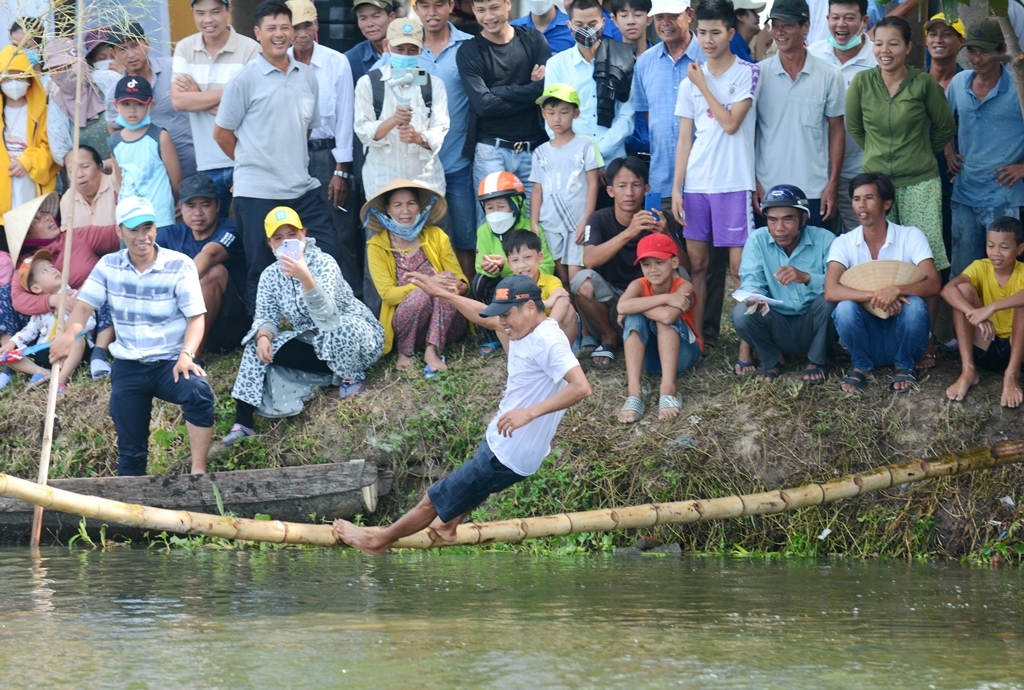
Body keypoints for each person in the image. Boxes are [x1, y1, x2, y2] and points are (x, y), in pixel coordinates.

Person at [332, 274, 592, 555]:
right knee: (477, 486)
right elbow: (483, 317)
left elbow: (581, 387)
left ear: (530, 307)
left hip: (508, 451)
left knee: (432, 501)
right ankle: (448, 525)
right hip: (509, 446)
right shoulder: (524, 327)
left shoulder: (548, 340)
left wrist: (529, 413)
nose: (501, 322)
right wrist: (442, 294)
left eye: (506, 315)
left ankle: (377, 541)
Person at [50, 196, 215, 476]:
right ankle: (129, 499)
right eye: (134, 229)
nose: (142, 236)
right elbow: (84, 307)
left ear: (156, 228)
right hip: (128, 367)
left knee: (198, 391)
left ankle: (198, 471)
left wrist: (187, 354)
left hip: (170, 363)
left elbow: (196, 318)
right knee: (131, 453)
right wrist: (69, 334)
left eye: (148, 227)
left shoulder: (180, 265)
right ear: (120, 231)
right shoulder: (108, 266)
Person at [214, 0, 339, 314]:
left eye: (285, 27)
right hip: (257, 193)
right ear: (258, 33)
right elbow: (222, 134)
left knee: (326, 254)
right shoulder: (244, 80)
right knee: (262, 269)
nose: (280, 34)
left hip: (302, 189)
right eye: (272, 28)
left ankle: (321, 327)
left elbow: (304, 130)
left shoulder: (307, 77)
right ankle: (263, 335)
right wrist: (250, 162)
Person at [222, 206, 384, 446]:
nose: (286, 242)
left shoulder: (324, 262)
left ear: (303, 234)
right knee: (255, 346)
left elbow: (327, 315)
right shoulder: (270, 275)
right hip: (313, 341)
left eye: (292, 235)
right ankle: (243, 422)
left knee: (339, 329)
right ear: (270, 244)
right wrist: (264, 336)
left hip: (353, 337)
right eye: (279, 238)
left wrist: (305, 276)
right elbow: (266, 316)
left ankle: (351, 376)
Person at [845, 15, 954, 368]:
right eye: (878, 43)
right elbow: (856, 128)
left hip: (921, 181)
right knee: (880, 258)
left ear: (908, 47)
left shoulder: (923, 83)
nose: (884, 50)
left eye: (893, 43)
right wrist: (878, 157)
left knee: (927, 259)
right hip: (876, 183)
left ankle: (927, 339)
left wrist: (920, 152)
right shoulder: (862, 82)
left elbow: (945, 128)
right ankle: (886, 330)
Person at [671, 0, 759, 372]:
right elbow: (684, 140)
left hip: (734, 184)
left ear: (731, 33)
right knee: (698, 266)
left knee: (740, 271)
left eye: (716, 33)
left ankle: (746, 348)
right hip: (697, 186)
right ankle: (698, 339)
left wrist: (703, 85)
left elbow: (730, 124)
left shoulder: (747, 73)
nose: (708, 40)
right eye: (702, 33)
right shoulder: (689, 80)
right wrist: (677, 188)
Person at [824, 173, 941, 394]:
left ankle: (904, 364)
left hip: (904, 335)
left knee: (915, 306)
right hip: (868, 337)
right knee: (844, 308)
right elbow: (831, 290)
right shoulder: (844, 242)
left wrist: (897, 290)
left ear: (887, 203)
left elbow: (934, 284)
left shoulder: (911, 236)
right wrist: (878, 296)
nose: (861, 205)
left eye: (869, 197)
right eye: (856, 199)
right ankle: (862, 365)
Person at [287, 0, 361, 299]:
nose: (302, 33)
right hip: (290, 156)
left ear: (316, 26)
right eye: (295, 27)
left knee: (340, 231)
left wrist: (341, 170)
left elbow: (345, 117)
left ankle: (352, 301)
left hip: (327, 157)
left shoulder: (336, 62)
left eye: (307, 25)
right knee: (293, 229)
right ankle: (302, 303)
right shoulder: (276, 62)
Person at [731, 184, 836, 385]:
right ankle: (773, 359)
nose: (779, 228)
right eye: (772, 220)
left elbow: (839, 283)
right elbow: (751, 278)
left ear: (803, 219)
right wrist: (754, 294)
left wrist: (806, 277)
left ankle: (816, 359)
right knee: (741, 313)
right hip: (776, 323)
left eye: (788, 219)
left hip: (813, 323)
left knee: (830, 302)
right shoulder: (757, 240)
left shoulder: (825, 239)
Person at [755, 0, 845, 230]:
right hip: (768, 189)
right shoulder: (757, 75)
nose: (779, 32)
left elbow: (837, 131)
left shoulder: (829, 75)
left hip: (814, 190)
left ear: (805, 26)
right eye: (775, 25)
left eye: (787, 25)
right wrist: (753, 183)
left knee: (816, 252)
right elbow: (748, 134)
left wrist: (832, 184)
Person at [458, 0, 551, 225]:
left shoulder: (534, 40)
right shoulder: (469, 51)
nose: (488, 17)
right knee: (494, 225)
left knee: (534, 227)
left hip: (533, 150)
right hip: (491, 151)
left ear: (508, 4)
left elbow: (546, 90)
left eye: (494, 8)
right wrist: (530, 92)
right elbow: (484, 105)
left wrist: (497, 91)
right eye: (481, 10)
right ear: (473, 11)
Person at [6, 193, 118, 378]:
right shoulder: (26, 264)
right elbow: (18, 300)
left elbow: (117, 235)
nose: (47, 217)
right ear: (27, 235)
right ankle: (26, 369)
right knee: (3, 295)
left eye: (44, 213)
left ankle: (99, 354)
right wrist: (54, 300)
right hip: (47, 329)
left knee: (108, 282)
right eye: (36, 220)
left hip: (88, 316)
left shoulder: (76, 236)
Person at [415, 228, 579, 354]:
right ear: (509, 263)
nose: (522, 265)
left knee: (569, 311)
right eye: (515, 260)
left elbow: (563, 299)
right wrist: (546, 303)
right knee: (502, 319)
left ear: (540, 258)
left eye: (528, 258)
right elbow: (488, 315)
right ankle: (515, 364)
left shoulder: (550, 280)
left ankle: (564, 356)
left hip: (551, 336)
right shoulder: (507, 286)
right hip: (525, 334)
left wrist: (547, 327)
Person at [945, 19, 1024, 277]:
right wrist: (948, 151)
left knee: (1004, 273)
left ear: (1003, 50)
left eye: (985, 51)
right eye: (972, 50)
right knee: (963, 273)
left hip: (1004, 197)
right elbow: (943, 123)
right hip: (964, 194)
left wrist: (1022, 168)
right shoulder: (958, 83)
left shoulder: (1019, 87)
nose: (976, 59)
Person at [573, 156, 669, 368]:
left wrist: (666, 234)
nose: (629, 193)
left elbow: (684, 266)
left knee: (678, 272)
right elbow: (589, 260)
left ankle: (661, 336)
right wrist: (629, 232)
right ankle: (609, 337)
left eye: (636, 185)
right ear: (610, 191)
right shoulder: (598, 219)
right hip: (611, 303)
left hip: (648, 301)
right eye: (622, 186)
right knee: (582, 281)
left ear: (646, 189)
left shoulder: (660, 219)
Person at [364, 179, 467, 376]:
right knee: (422, 295)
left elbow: (459, 277)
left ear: (419, 206)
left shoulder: (436, 235)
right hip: (408, 325)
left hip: (447, 324)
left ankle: (433, 350)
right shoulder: (377, 245)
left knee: (446, 278)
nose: (406, 211)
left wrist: (460, 286)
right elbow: (388, 295)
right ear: (388, 210)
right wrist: (427, 284)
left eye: (411, 203)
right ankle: (405, 351)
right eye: (397, 205)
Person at [171, 0, 261, 217]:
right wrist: (232, 92)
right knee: (212, 229)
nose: (208, 20)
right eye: (200, 13)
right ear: (192, 12)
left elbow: (250, 108)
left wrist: (198, 96)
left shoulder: (251, 49)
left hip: (245, 160)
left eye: (215, 12)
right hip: (206, 162)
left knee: (249, 228)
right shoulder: (184, 47)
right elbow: (179, 102)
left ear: (228, 11)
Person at [632, 0, 702, 251]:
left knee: (706, 263)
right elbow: (649, 117)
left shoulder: (709, 56)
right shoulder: (644, 63)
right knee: (661, 254)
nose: (665, 23)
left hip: (705, 180)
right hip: (661, 179)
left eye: (672, 15)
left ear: (689, 15)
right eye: (660, 17)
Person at [354, 16, 450, 201]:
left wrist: (419, 138)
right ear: (386, 46)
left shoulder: (433, 84)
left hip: (425, 181)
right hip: (382, 182)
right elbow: (363, 131)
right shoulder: (368, 83)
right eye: (399, 49)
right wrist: (393, 121)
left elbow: (440, 129)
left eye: (412, 50)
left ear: (422, 49)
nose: (406, 55)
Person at [415, 0, 477, 280]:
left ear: (451, 5)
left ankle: (469, 303)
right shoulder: (408, 48)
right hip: (419, 168)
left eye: (439, 4)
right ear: (415, 8)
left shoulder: (469, 46)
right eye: (425, 5)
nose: (432, 12)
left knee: (465, 241)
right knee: (425, 243)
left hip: (458, 164)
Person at [156, 173, 247, 356]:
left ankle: (194, 353)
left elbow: (210, 255)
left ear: (218, 205)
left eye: (205, 205)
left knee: (214, 272)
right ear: (181, 207)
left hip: (229, 326)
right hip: (182, 320)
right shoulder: (169, 235)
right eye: (191, 206)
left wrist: (174, 292)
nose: (198, 212)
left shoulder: (230, 230)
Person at [616, 232, 700, 423]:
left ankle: (668, 389)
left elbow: (667, 316)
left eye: (659, 262)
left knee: (656, 318)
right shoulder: (638, 284)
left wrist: (636, 305)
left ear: (674, 262)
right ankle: (635, 392)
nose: (652, 269)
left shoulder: (684, 286)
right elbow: (621, 307)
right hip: (648, 360)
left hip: (683, 356)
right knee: (634, 318)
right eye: (646, 264)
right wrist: (666, 298)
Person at [807, 0, 876, 233]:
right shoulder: (813, 54)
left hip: (861, 171)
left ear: (864, 21)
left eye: (849, 17)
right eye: (835, 17)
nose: (841, 24)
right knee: (819, 240)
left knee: (862, 237)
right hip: (818, 172)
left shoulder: (878, 58)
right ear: (827, 19)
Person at [942, 216, 1024, 408]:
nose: (996, 253)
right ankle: (968, 370)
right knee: (962, 290)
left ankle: (1011, 375)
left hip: (1017, 348)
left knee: (1022, 303)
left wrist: (991, 308)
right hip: (985, 341)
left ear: (1020, 249)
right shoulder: (981, 266)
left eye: (1004, 247)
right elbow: (947, 290)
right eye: (991, 246)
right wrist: (975, 314)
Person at [473, 171, 556, 355]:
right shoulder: (484, 231)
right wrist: (491, 268)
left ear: (516, 204)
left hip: (529, 285)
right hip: (500, 286)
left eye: (501, 206)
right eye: (490, 208)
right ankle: (494, 337)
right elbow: (479, 265)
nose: (495, 213)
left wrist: (507, 267)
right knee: (479, 282)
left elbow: (547, 266)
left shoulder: (532, 228)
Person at [543, 0, 636, 164]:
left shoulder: (623, 60)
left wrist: (596, 154)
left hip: (613, 161)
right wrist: (576, 154)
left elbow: (627, 116)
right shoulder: (556, 64)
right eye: (579, 24)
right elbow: (551, 117)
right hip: (572, 161)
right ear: (569, 25)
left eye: (592, 24)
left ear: (603, 23)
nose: (586, 30)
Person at [529, 83, 602, 287]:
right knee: (560, 278)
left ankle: (583, 309)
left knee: (576, 278)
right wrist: (534, 222)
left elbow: (593, 183)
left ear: (576, 113)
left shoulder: (586, 145)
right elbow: (537, 190)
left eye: (564, 112)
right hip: (550, 223)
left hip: (577, 223)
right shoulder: (540, 152)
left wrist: (586, 219)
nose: (557, 119)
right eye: (551, 113)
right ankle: (567, 309)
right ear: (543, 114)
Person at [105, 21, 196, 178]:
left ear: (147, 44)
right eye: (122, 49)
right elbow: (114, 128)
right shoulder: (115, 92)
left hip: (193, 164)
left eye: (135, 45)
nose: (131, 54)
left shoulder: (175, 68)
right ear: (113, 54)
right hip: (151, 176)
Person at [1, 250, 94, 394]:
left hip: (71, 347)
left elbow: (90, 321)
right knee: (9, 356)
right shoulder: (41, 311)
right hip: (47, 350)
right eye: (45, 271)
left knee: (78, 341)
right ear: (36, 288)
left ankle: (61, 380)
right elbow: (29, 331)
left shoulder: (75, 296)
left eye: (52, 266)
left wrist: (67, 335)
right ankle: (42, 372)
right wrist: (13, 342)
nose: (53, 270)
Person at [108, 75, 182, 230]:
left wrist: (168, 205)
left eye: (139, 104)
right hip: (129, 219)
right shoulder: (114, 142)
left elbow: (176, 181)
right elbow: (121, 181)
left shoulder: (160, 136)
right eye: (126, 104)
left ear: (151, 105)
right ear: (116, 106)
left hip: (159, 218)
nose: (132, 110)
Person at [44, 37, 119, 168]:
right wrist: (98, 167)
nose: (65, 72)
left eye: (68, 66)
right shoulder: (57, 106)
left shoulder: (109, 81)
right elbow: (59, 152)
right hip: (89, 177)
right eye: (57, 69)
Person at [0, 45, 58, 216]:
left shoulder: (44, 112)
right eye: (7, 78)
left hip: (33, 195)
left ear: (30, 78)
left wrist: (28, 161)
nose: (14, 84)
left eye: (19, 76)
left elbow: (53, 149)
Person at [60, 145, 117, 229]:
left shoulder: (116, 186)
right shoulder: (67, 199)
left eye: (85, 166)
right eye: (72, 170)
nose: (79, 175)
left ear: (100, 167)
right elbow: (66, 232)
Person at [345, 0, 396, 84]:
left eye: (376, 16)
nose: (369, 24)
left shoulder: (412, 50)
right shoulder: (351, 59)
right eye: (363, 18)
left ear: (391, 17)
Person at [925, 13, 964, 93]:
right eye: (933, 34)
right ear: (926, 41)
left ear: (961, 42)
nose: (938, 40)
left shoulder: (969, 83)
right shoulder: (914, 82)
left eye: (946, 34)